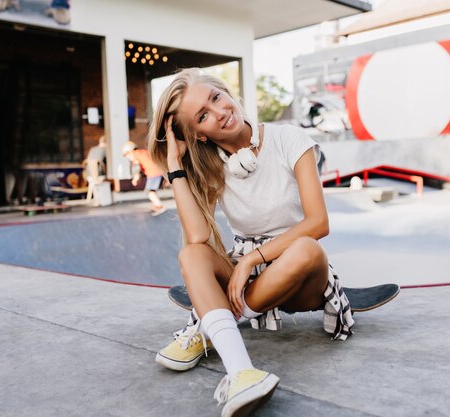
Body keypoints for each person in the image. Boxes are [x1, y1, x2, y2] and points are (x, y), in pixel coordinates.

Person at [147, 68, 354, 417]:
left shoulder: (288, 138)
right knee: (192, 254)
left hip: (299, 272)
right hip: (250, 278)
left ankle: (212, 325)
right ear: (198, 135)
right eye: (203, 116)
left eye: (216, 98)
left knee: (307, 248)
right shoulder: (214, 167)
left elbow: (318, 223)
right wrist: (175, 168)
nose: (220, 112)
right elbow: (198, 237)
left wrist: (249, 261)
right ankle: (242, 373)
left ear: (226, 92)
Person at [122, 141, 166, 215]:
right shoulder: (143, 152)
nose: (128, 157)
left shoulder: (135, 155)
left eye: (127, 155)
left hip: (153, 173)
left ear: (131, 151)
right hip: (159, 171)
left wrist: (136, 177)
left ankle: (159, 206)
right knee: (152, 190)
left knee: (149, 191)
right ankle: (156, 205)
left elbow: (137, 167)